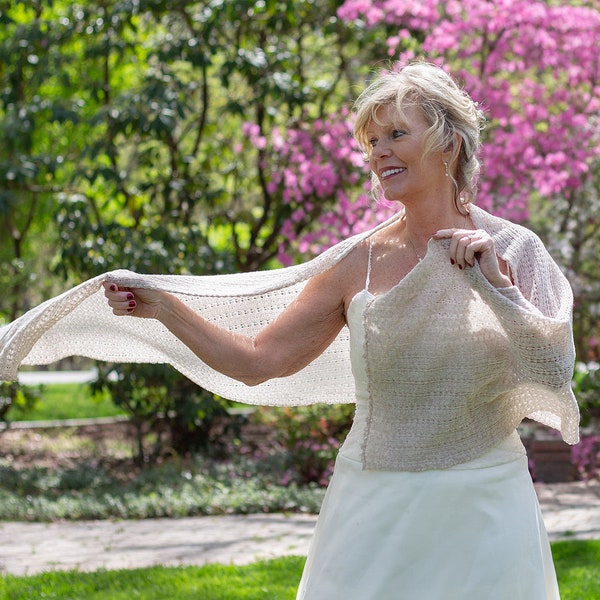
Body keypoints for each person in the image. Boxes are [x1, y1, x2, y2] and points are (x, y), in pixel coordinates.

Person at [0, 62, 579, 598]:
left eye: (396, 135)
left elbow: (552, 372)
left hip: (487, 502)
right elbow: (258, 360)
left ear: (448, 141)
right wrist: (165, 308)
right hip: (375, 500)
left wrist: (495, 287)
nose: (379, 153)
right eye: (371, 142)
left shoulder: (514, 249)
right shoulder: (358, 262)